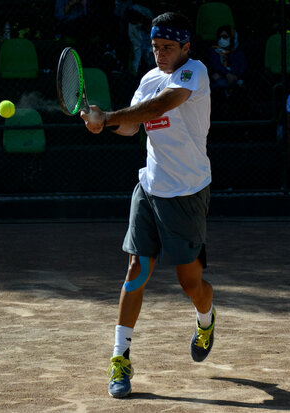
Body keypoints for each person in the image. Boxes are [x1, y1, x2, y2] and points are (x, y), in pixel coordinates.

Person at [80, 12, 215, 398]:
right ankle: (120, 359)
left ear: (186, 47)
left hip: (187, 193)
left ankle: (206, 319)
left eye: (168, 47)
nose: (160, 54)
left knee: (191, 283)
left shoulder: (195, 73)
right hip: (149, 188)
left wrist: (109, 117)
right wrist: (101, 121)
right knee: (136, 270)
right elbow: (131, 126)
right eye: (155, 47)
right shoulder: (149, 79)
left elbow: (159, 108)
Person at [208, 25, 247, 102]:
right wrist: (227, 74)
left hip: (235, 79)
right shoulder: (215, 51)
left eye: (225, 37)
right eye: (219, 37)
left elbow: (242, 66)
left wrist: (234, 75)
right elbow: (216, 65)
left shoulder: (237, 53)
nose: (221, 40)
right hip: (220, 82)